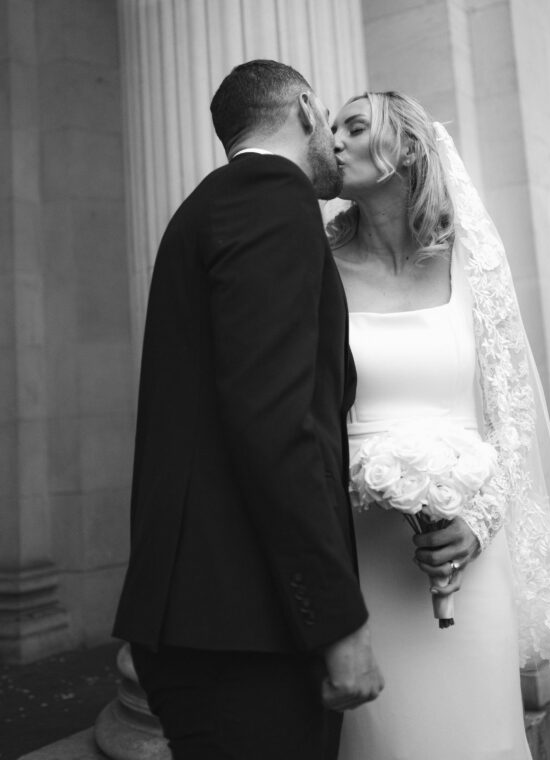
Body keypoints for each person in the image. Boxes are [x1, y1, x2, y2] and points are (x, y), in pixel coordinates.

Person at [113, 60, 383, 760]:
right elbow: (275, 425)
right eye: (333, 122)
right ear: (305, 108)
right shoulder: (270, 198)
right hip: (245, 627)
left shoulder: (212, 202)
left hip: (209, 618)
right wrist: (337, 622)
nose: (336, 141)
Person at [328, 91, 550, 760]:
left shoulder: (470, 263)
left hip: (469, 552)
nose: (333, 140)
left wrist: (477, 525)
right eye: (330, 128)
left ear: (409, 149)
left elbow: (511, 417)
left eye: (354, 128)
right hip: (358, 554)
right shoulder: (315, 265)